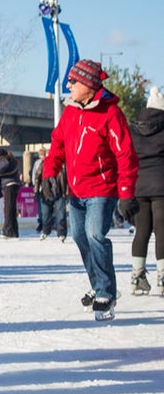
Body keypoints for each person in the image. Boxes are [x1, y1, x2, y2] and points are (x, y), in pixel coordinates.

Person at [43, 59, 138, 321]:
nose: (68, 85)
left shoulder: (110, 114)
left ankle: (106, 291)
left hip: (101, 188)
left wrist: (127, 191)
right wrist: (50, 173)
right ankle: (98, 286)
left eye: (73, 81)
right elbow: (58, 144)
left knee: (95, 235)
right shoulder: (71, 113)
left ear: (88, 84)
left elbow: (126, 155)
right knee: (80, 238)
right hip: (76, 190)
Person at [125, 86, 164, 296]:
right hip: (161, 186)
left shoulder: (134, 129)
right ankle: (163, 277)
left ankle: (137, 277)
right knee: (162, 231)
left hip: (139, 186)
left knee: (142, 231)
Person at [0, 148, 21, 238]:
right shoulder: (10, 159)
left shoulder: (5, 160)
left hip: (9, 185)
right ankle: (14, 232)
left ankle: (7, 232)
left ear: (0, 156)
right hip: (13, 184)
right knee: (11, 209)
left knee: (8, 209)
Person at [32, 147, 47, 233]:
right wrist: (35, 186)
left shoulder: (48, 162)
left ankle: (48, 222)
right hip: (40, 188)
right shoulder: (37, 163)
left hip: (47, 188)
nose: (42, 156)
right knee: (40, 206)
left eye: (43, 154)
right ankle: (41, 222)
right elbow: (34, 175)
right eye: (41, 155)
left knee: (47, 206)